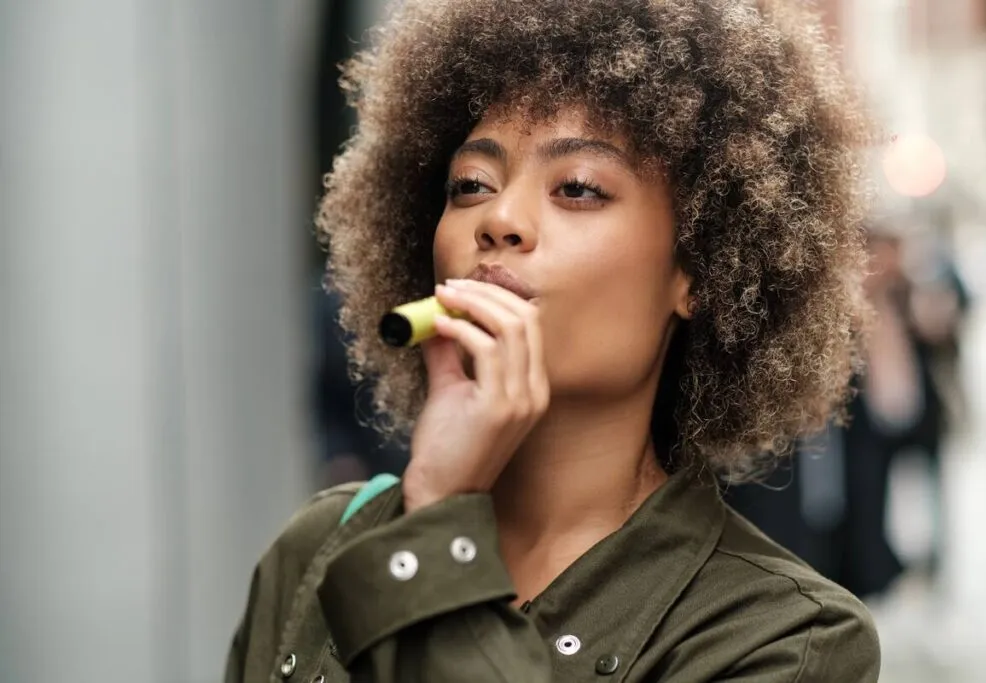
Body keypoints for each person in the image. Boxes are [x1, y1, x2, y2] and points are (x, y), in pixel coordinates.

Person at [225, 0, 881, 680]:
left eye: (576, 188)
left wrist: (440, 528)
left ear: (701, 267)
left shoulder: (784, 635)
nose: (500, 217)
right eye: (470, 185)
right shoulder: (319, 547)